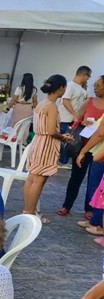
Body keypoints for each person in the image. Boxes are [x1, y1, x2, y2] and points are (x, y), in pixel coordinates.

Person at [23, 75, 72, 223]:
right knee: (39, 180)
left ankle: (28, 210)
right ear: (61, 88)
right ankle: (31, 213)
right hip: (46, 144)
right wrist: (64, 137)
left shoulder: (42, 103)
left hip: (38, 142)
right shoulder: (51, 105)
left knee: (32, 178)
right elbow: (51, 131)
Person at [58, 75, 104, 218]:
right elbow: (78, 118)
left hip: (98, 149)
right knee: (76, 177)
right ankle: (67, 205)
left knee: (94, 180)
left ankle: (89, 208)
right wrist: (83, 122)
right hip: (82, 145)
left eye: (98, 85)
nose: (94, 88)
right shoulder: (89, 101)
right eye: (94, 85)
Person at [58, 66, 91, 166]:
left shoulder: (82, 88)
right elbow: (65, 101)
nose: (88, 79)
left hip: (74, 119)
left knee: (70, 140)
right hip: (65, 118)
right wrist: (75, 115)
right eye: (88, 76)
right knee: (62, 139)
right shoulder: (70, 86)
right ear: (83, 74)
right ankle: (62, 161)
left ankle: (64, 160)